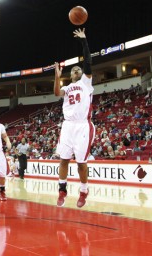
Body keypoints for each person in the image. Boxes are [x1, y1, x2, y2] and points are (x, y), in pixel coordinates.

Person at [54, 28, 95, 208]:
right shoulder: (67, 88)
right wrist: (56, 77)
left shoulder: (86, 82)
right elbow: (56, 93)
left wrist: (84, 41)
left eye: (79, 69)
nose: (77, 70)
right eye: (74, 70)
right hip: (68, 126)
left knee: (80, 163)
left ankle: (84, 189)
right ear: (70, 75)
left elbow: (87, 61)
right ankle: (62, 190)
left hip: (82, 126)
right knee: (63, 159)